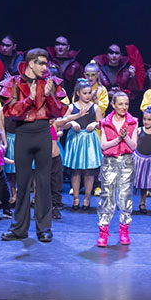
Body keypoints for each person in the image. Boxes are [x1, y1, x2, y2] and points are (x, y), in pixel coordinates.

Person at [0, 49, 68, 243]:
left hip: (43, 134)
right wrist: (29, 98)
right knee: (23, 184)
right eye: (41, 63)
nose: (45, 67)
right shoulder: (14, 83)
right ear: (31, 63)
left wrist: (47, 96)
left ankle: (44, 228)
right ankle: (19, 228)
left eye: (46, 64)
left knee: (44, 183)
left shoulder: (50, 83)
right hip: (23, 134)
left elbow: (58, 112)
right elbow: (10, 112)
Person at [96, 92, 138, 247]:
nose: (123, 107)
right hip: (109, 162)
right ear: (113, 105)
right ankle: (103, 231)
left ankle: (124, 230)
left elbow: (133, 146)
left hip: (126, 162)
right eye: (120, 104)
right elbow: (103, 146)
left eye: (126, 104)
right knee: (107, 197)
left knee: (125, 197)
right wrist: (118, 139)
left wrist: (125, 137)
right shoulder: (105, 122)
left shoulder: (133, 122)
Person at [63, 79, 102, 211]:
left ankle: (87, 199)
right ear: (78, 93)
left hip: (89, 140)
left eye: (89, 93)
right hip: (76, 139)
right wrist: (72, 122)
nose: (88, 95)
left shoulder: (95, 108)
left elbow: (102, 124)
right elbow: (62, 124)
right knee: (76, 171)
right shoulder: (71, 107)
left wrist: (94, 124)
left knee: (89, 171)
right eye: (85, 93)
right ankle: (76, 198)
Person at [133, 106, 151, 214]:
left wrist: (149, 157)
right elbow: (135, 143)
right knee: (132, 180)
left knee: (144, 183)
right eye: (144, 119)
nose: (146, 122)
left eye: (149, 119)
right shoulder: (139, 130)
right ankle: (126, 202)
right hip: (137, 159)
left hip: (147, 160)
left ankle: (142, 203)